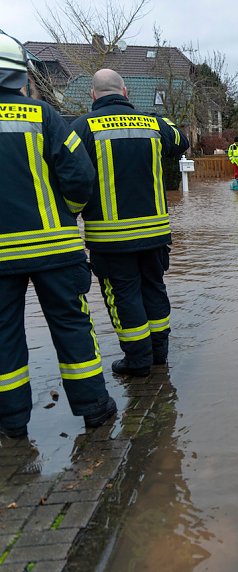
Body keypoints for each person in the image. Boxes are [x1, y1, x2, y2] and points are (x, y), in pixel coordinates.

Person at [0, 34, 116, 437]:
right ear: (21, 76)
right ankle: (95, 409)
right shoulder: (44, 116)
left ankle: (11, 423)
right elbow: (81, 175)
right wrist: (68, 214)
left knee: (3, 335)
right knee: (72, 326)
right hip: (55, 246)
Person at [71, 69, 189, 377]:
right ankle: (159, 354)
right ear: (125, 92)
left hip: (111, 240)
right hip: (155, 234)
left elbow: (70, 177)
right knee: (154, 287)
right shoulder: (152, 124)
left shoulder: (82, 128)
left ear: (92, 96)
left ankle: (138, 361)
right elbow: (181, 140)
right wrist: (159, 118)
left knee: (123, 295)